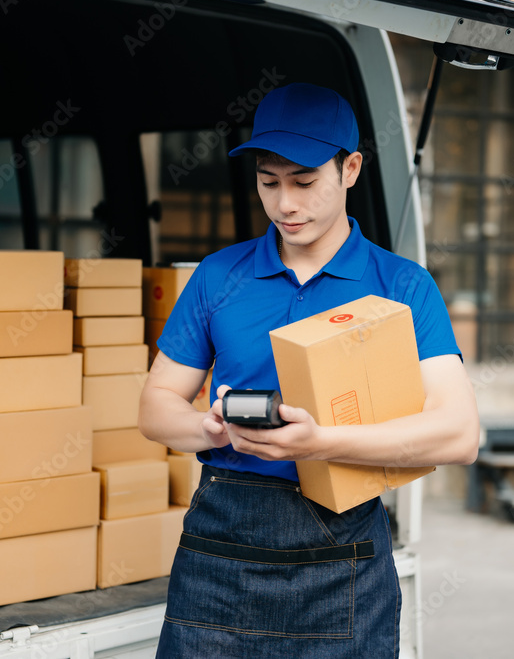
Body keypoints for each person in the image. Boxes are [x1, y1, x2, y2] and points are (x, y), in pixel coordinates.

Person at [139, 82, 480, 657]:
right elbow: (156, 407)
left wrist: (320, 442)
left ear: (350, 169)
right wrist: (212, 428)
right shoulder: (219, 277)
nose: (285, 204)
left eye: (304, 182)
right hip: (218, 560)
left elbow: (460, 433)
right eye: (268, 183)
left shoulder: (402, 286)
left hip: (341, 563)